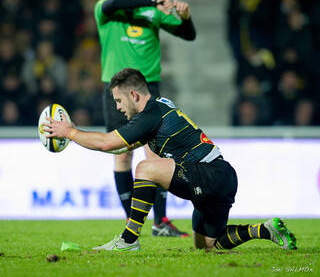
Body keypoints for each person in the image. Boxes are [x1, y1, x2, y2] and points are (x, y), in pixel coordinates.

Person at [44, 68, 297, 252]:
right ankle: (265, 229)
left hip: (209, 174)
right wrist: (76, 134)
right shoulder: (158, 109)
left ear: (134, 95)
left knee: (145, 167)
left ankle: (128, 240)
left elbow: (108, 142)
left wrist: (69, 132)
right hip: (220, 177)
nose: (118, 108)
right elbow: (115, 149)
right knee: (208, 245)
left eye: (119, 100)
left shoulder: (150, 114)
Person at [94, 0, 196, 236]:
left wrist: (185, 18)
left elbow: (188, 35)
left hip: (148, 90)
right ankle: (133, 224)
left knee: (156, 156)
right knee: (122, 156)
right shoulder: (105, 9)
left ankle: (161, 222)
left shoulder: (152, 13)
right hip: (115, 91)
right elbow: (111, 4)